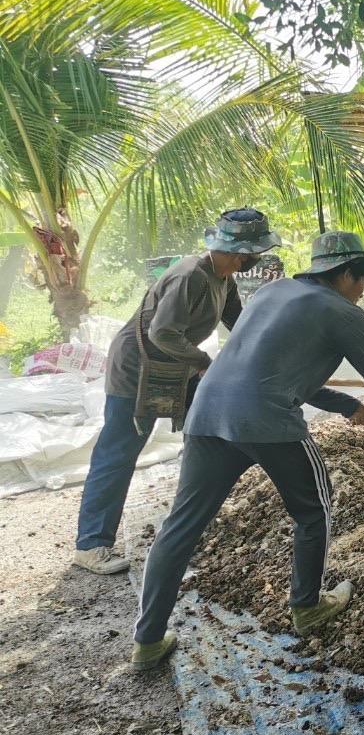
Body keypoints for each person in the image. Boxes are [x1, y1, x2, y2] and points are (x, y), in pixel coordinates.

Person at [130, 231, 364, 671]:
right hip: (268, 422)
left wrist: (345, 404)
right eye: (363, 278)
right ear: (345, 274)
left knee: (181, 526)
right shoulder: (344, 313)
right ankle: (308, 606)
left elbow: (275, 369)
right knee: (315, 510)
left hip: (208, 415)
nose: (363, 289)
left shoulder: (273, 293)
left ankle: (148, 641)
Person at [73, 208, 278, 575]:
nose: (256, 259)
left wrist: (269, 347)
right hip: (139, 366)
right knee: (119, 450)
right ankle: (91, 544)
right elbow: (162, 333)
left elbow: (240, 323)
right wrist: (204, 361)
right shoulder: (191, 277)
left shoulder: (224, 277)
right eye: (255, 253)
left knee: (211, 424)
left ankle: (198, 514)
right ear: (239, 252)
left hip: (173, 363)